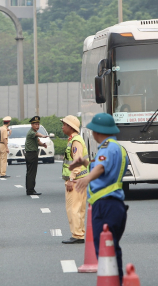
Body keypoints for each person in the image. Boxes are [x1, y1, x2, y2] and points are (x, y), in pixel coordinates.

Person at [69, 113, 128, 283]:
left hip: (106, 205)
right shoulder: (117, 147)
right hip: (114, 205)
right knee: (111, 248)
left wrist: (87, 178)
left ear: (96, 132)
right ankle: (117, 281)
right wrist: (84, 163)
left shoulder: (107, 147)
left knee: (104, 249)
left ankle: (112, 281)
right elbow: (102, 165)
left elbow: (101, 167)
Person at [60, 115, 89, 244]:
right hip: (81, 179)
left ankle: (77, 235)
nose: (62, 127)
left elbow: (77, 162)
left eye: (64, 124)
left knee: (73, 208)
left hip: (76, 180)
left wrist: (71, 179)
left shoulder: (75, 141)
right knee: (79, 208)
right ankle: (80, 233)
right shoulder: (75, 140)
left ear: (70, 127)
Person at [24, 116, 47, 196]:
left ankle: (30, 189)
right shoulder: (31, 132)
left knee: (30, 172)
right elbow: (37, 134)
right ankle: (30, 190)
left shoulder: (33, 133)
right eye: (35, 124)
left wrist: (43, 145)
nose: (37, 126)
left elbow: (38, 142)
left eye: (38, 124)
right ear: (32, 125)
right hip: (31, 154)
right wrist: (43, 136)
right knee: (31, 173)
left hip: (31, 154)